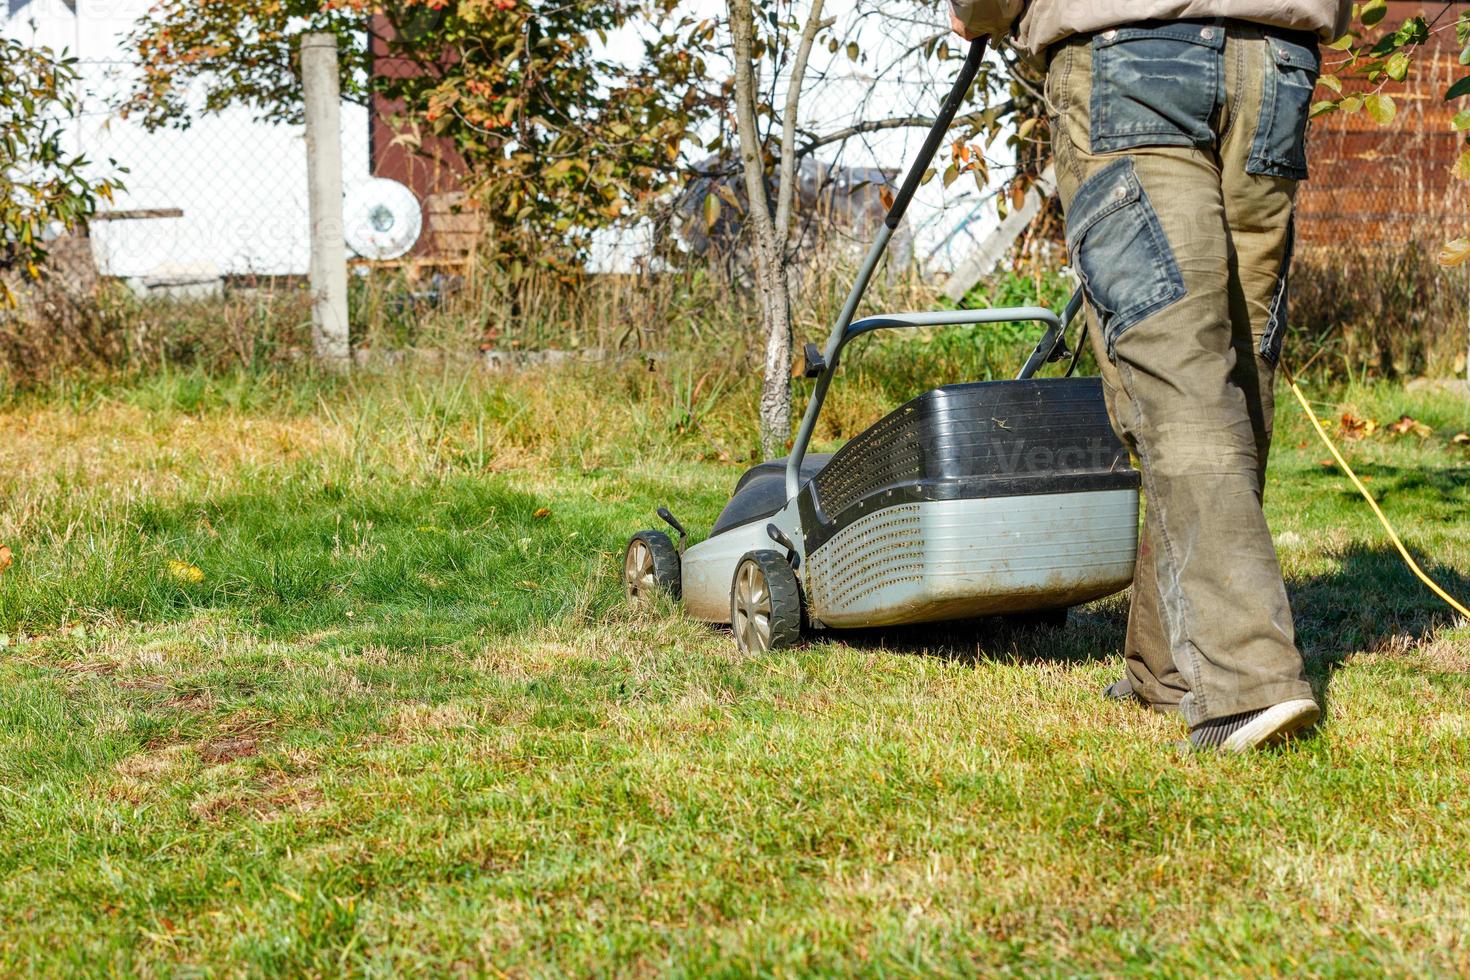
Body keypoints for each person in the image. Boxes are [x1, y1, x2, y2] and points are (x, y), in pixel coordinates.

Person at [949, 1, 1352, 751]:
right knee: (1236, 357)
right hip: (1277, 64)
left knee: (1175, 364)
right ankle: (1167, 668)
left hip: (1130, 57)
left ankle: (1247, 679)